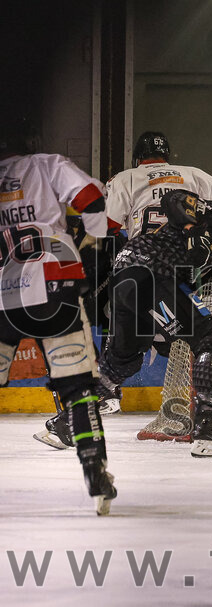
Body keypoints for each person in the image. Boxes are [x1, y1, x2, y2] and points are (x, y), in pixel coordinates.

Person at [97, 183, 212, 457]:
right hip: (152, 273)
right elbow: (172, 198)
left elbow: (193, 280)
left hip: (128, 281)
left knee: (122, 360)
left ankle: (71, 421)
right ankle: (208, 430)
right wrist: (190, 229)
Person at [0, 119, 116, 514]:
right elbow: (92, 197)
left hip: (2, 294)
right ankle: (95, 473)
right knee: (78, 389)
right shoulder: (45, 164)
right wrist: (93, 244)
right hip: (53, 287)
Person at [86, 131, 212, 415]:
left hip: (136, 268)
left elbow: (107, 229)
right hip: (180, 271)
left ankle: (84, 409)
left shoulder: (126, 178)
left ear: (138, 158)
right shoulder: (194, 175)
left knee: (126, 346)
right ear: (168, 156)